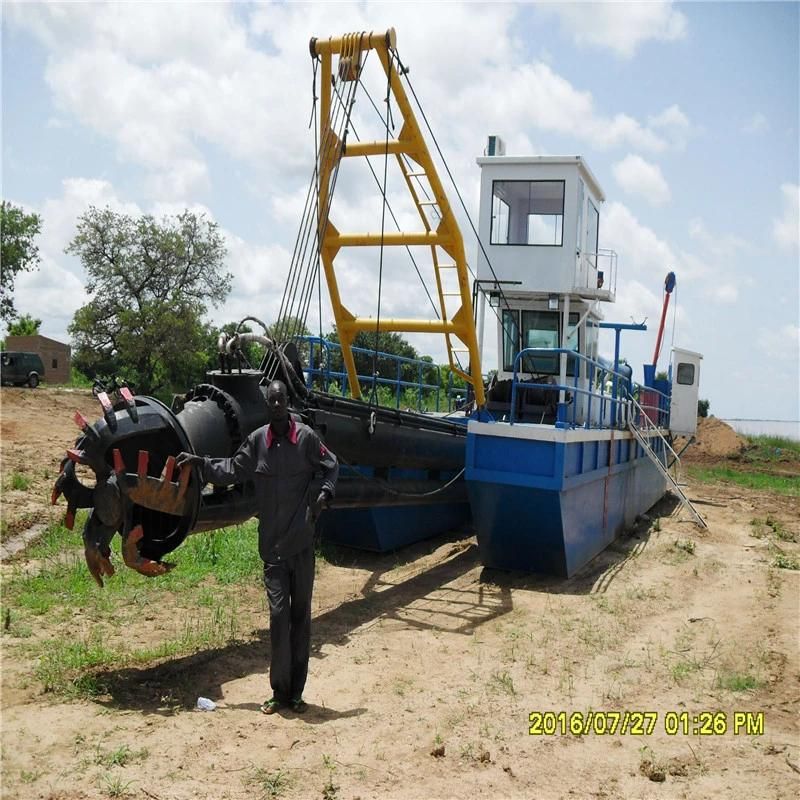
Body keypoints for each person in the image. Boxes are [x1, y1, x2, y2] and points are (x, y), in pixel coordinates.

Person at [176, 379, 338, 715]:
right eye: (272, 400)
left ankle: (296, 694)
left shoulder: (306, 438)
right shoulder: (258, 441)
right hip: (273, 550)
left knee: (300, 618)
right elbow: (233, 469)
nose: (277, 405)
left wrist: (324, 495)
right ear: (267, 404)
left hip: (302, 546)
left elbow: (330, 466)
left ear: (287, 402)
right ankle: (279, 693)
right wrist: (200, 463)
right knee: (278, 618)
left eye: (282, 400)